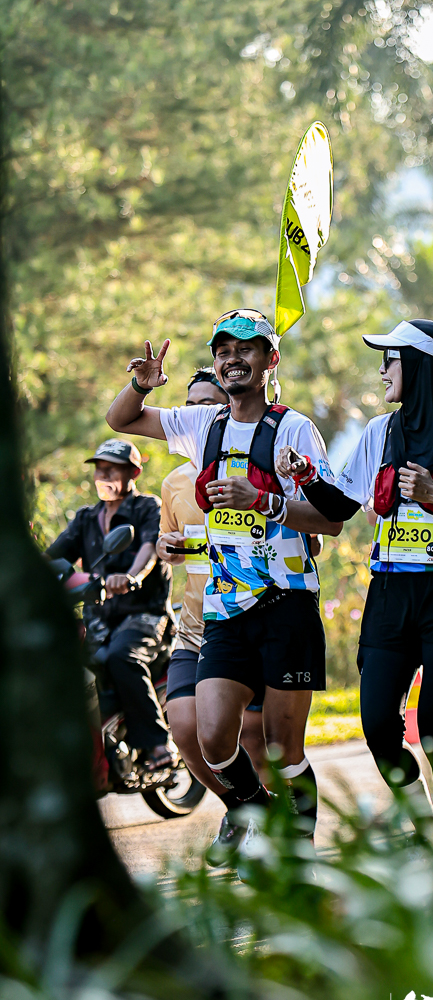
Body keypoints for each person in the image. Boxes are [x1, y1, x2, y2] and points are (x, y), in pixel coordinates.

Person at [105, 310, 342, 851]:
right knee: (211, 739)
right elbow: (121, 420)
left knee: (283, 750)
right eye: (223, 351)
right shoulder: (203, 425)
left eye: (245, 349)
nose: (233, 359)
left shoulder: (294, 428)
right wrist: (141, 385)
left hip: (287, 602)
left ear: (270, 359)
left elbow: (330, 520)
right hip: (225, 609)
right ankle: (259, 815)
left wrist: (264, 501)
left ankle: (300, 856)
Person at [278, 319, 433, 805]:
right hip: (390, 595)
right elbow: (339, 507)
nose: (382, 370)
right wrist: (306, 476)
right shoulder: (380, 431)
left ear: (420, 365)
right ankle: (427, 821)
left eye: (391, 359)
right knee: (378, 728)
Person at [46, 439, 174, 767]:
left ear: (134, 473)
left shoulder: (147, 507)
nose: (103, 475)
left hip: (144, 616)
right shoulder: (87, 518)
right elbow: (53, 557)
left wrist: (131, 576)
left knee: (122, 657)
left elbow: (149, 548)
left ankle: (158, 745)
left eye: (112, 469)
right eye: (99, 469)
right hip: (99, 619)